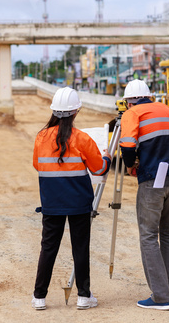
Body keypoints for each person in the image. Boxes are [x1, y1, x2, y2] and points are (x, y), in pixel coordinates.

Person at [32, 87, 111, 310]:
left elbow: (38, 165)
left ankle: (39, 297)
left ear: (54, 111)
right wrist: (107, 157)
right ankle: (84, 296)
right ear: (76, 111)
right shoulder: (82, 139)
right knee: (80, 248)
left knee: (48, 248)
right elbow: (99, 170)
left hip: (51, 203)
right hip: (79, 203)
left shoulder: (41, 137)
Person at [119, 79, 169, 310]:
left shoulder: (132, 113)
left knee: (148, 235)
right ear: (148, 96)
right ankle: (165, 291)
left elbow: (127, 146)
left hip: (153, 179)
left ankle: (160, 297)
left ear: (128, 101)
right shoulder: (165, 110)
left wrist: (129, 165)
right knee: (167, 234)